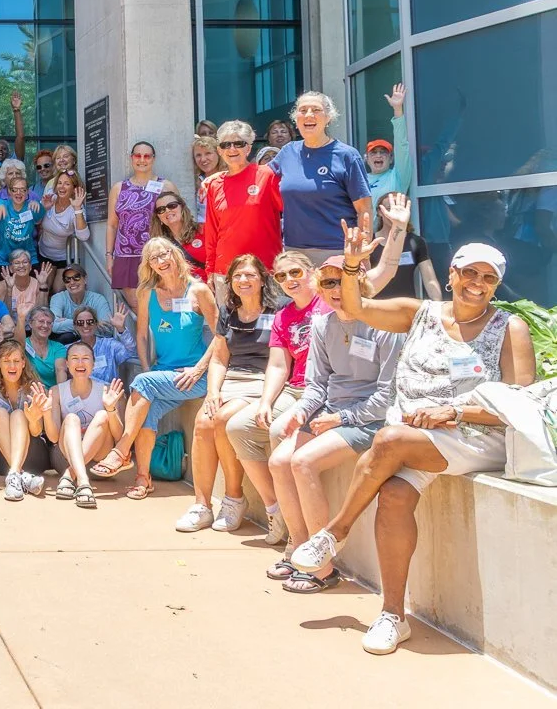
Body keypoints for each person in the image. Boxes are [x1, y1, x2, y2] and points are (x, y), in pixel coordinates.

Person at [289, 237, 533, 656]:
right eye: (470, 272)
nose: (478, 283)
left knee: (389, 437)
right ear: (452, 274)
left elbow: (520, 405)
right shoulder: (419, 314)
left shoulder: (509, 327)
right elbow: (357, 307)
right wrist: (350, 267)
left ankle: (334, 532)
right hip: (415, 439)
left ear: (496, 286)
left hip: (475, 436)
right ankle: (393, 616)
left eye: (489, 278)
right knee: (395, 494)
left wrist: (455, 413)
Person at [266, 255, 401, 592]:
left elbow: (388, 395)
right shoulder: (323, 326)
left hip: (369, 420)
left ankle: (323, 569)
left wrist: (342, 417)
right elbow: (316, 385)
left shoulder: (385, 325)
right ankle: (299, 549)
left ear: (361, 283)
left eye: (343, 280)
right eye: (328, 282)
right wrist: (301, 413)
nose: (336, 289)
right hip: (331, 413)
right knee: (279, 461)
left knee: (302, 462)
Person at [88, 238, 218, 498]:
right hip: (164, 374)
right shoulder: (147, 292)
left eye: (165, 254)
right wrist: (147, 368)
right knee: (145, 411)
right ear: (149, 265)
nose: (162, 261)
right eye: (154, 258)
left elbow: (221, 336)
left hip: (195, 376)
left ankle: (122, 452)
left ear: (176, 255)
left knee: (143, 383)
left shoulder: (199, 290)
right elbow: (142, 335)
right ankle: (142, 478)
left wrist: (198, 370)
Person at [176, 255, 278, 534]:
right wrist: (212, 391)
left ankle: (233, 499)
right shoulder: (229, 313)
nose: (243, 281)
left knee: (221, 421)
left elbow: (280, 362)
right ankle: (202, 505)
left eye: (250, 275)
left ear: (262, 279)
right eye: (238, 276)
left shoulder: (277, 310)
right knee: (202, 423)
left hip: (262, 380)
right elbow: (220, 359)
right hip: (231, 378)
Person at [271, 91, 372, 265]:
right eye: (303, 110)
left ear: (328, 117)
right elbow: (257, 178)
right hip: (294, 254)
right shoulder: (288, 152)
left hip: (337, 251)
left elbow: (364, 210)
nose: (309, 115)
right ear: (296, 118)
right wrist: (218, 176)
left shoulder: (346, 155)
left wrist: (362, 251)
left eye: (316, 110)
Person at [202, 120, 284, 305]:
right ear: (220, 151)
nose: (232, 149)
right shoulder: (215, 185)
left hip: (265, 268)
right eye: (226, 144)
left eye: (238, 143)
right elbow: (212, 232)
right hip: (226, 272)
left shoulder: (267, 175)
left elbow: (292, 212)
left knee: (268, 327)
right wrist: (210, 271)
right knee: (230, 329)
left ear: (248, 148)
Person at [45, 341, 125, 509]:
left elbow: (118, 437)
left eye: (85, 358)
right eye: (74, 358)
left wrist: (111, 409)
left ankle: (73, 475)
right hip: (65, 457)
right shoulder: (57, 391)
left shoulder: (106, 389)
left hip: (98, 464)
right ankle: (83, 482)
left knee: (103, 415)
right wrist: (46, 412)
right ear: (67, 364)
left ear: (93, 364)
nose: (80, 363)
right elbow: (53, 437)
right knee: (72, 418)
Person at [107, 141, 178, 309]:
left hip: (158, 255)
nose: (142, 159)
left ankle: (161, 337)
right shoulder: (119, 188)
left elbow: (178, 221)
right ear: (132, 158)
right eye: (138, 155)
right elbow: (111, 225)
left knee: (162, 306)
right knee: (137, 307)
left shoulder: (165, 186)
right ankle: (142, 337)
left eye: (147, 156)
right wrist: (109, 256)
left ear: (153, 159)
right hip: (126, 257)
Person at [0, 339, 49, 500]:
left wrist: (33, 419)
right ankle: (19, 475)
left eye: (16, 361)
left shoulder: (34, 388)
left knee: (18, 414)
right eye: (6, 361)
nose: (12, 366)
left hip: (32, 456)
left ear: (23, 363)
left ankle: (14, 475)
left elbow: (36, 432)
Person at [0, 170, 43, 268]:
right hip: (4, 260)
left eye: (22, 189)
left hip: (28, 260)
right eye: (15, 189)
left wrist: (38, 204)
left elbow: (41, 213)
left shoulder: (31, 207)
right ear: (9, 191)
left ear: (27, 192)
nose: (18, 193)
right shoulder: (3, 204)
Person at [70, 304, 139, 386]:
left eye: (90, 322)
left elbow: (132, 353)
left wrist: (121, 329)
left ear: (96, 324)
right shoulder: (69, 350)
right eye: (80, 323)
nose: (85, 326)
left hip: (109, 395)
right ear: (75, 326)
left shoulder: (109, 345)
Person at [366, 83, 412, 204]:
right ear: (366, 159)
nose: (378, 155)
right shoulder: (359, 181)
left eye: (383, 152)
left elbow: (401, 145)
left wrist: (397, 109)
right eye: (374, 152)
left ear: (391, 158)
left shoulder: (397, 177)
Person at [36, 169, 90, 271]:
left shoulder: (77, 207)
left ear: (74, 188)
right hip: (44, 254)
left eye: (67, 184)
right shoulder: (50, 197)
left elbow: (83, 236)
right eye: (59, 183)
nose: (61, 187)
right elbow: (36, 222)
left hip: (66, 258)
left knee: (57, 288)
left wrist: (77, 208)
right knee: (45, 284)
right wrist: (43, 208)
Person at [151, 192, 206, 279]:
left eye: (172, 205)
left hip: (210, 287)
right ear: (158, 217)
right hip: (182, 290)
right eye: (161, 209)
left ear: (182, 207)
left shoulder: (203, 230)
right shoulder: (160, 244)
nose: (167, 210)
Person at [50, 264, 112, 334]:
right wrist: (93, 323)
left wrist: (68, 323)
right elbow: (53, 326)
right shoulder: (58, 298)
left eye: (76, 277)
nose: (72, 282)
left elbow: (107, 330)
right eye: (67, 279)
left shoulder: (98, 299)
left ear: (85, 279)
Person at [0, 251, 53, 320]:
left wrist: (42, 285)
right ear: (11, 268)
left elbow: (42, 312)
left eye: (25, 262)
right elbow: (5, 314)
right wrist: (9, 289)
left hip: (33, 322)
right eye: (17, 263)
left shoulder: (39, 284)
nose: (21, 266)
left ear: (30, 266)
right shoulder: (1, 286)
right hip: (12, 323)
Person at [23, 306, 64, 387]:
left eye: (49, 323)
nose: (45, 325)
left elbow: (61, 370)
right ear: (30, 323)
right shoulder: (24, 344)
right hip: (28, 394)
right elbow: (17, 343)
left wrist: (61, 394)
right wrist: (21, 318)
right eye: (41, 321)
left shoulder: (58, 347)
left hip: (52, 394)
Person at [191, 135, 222, 219]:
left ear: (218, 153)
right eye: (198, 155)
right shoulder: (194, 182)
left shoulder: (228, 178)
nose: (203, 159)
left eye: (208, 153)